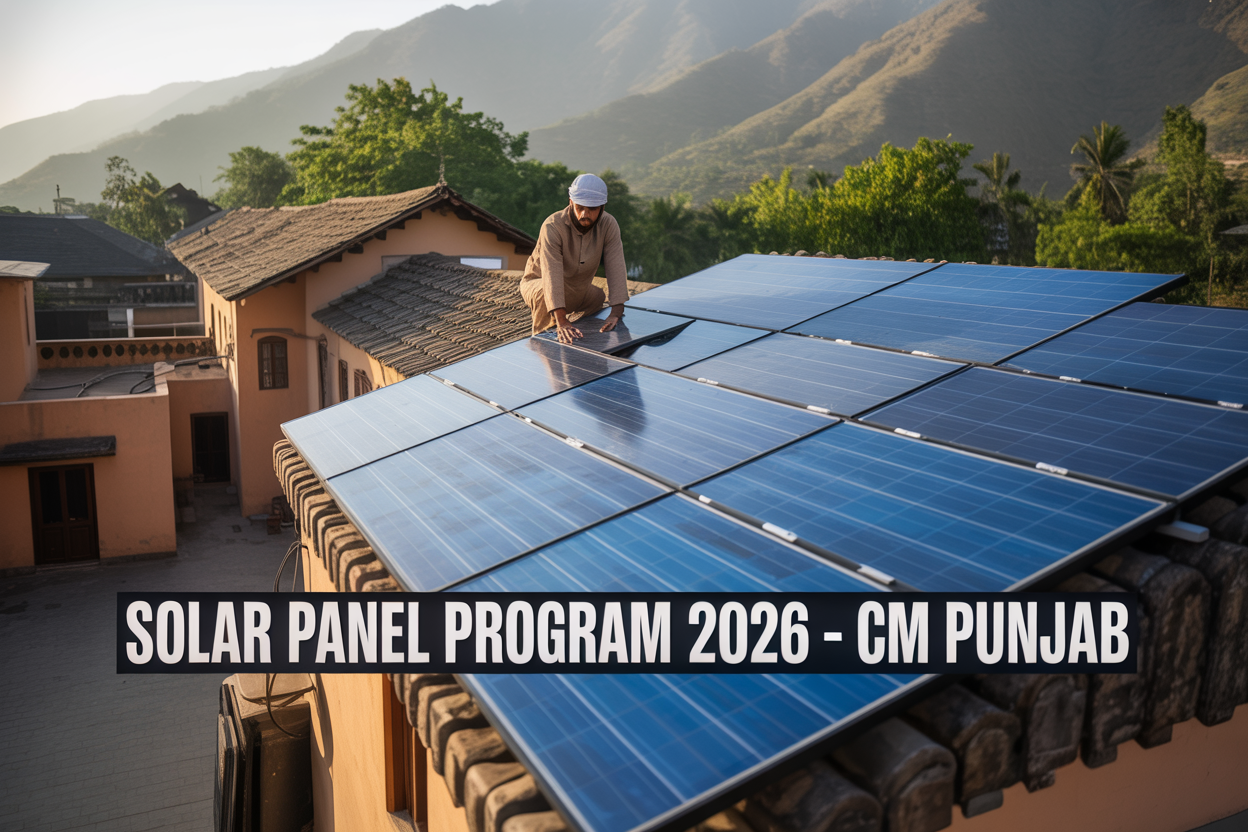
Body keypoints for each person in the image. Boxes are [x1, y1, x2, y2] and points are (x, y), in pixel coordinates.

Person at [520, 173, 628, 343]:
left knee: (598, 297)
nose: (585, 214)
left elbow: (616, 266)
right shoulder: (552, 226)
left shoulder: (609, 225)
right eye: (580, 207)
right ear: (571, 202)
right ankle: (544, 340)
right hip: (540, 284)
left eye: (592, 209)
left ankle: (579, 336)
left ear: (602, 208)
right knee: (543, 294)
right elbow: (551, 274)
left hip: (576, 289)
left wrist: (616, 313)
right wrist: (561, 321)